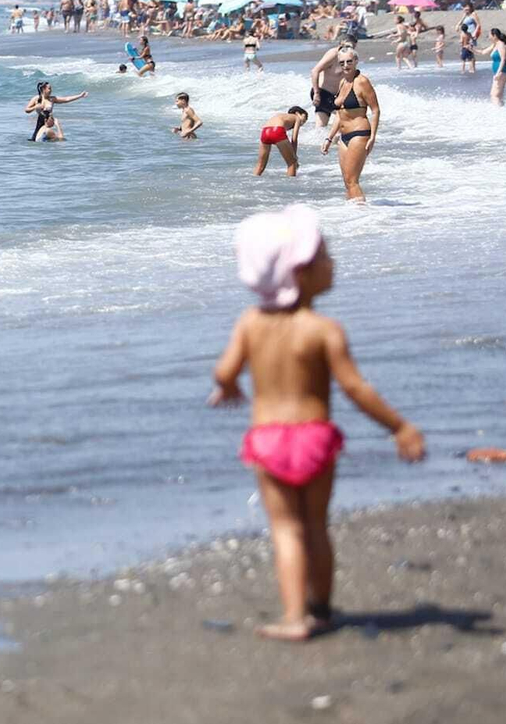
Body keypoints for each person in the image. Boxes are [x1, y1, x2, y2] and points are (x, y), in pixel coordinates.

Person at [208, 204, 425, 641]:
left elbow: (224, 370)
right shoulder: (323, 329)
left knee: (285, 529)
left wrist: (229, 388)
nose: (333, 262)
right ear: (301, 272)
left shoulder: (250, 323)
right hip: (314, 438)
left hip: (267, 440)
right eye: (325, 255)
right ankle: (321, 610)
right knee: (315, 527)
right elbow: (355, 388)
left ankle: (294, 617)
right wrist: (399, 427)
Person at [319, 48, 378, 201]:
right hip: (343, 136)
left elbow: (375, 110)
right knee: (347, 181)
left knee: (352, 181)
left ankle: (363, 212)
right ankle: (351, 212)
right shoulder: (342, 82)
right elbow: (340, 114)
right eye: (342, 63)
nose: (345, 65)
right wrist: (329, 138)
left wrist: (373, 137)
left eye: (349, 61)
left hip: (359, 134)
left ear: (356, 62)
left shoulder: (362, 82)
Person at [308, 39, 352, 132]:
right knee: (345, 117)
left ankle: (318, 140)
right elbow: (315, 71)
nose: (348, 50)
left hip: (334, 96)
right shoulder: (333, 54)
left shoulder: (349, 57)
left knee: (320, 128)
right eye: (346, 47)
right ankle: (336, 138)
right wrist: (316, 93)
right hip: (322, 94)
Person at [255, 107, 308, 177]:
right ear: (297, 113)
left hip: (265, 131)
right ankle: (290, 182)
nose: (303, 122)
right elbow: (294, 139)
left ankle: (252, 179)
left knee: (260, 165)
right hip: (277, 131)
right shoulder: (297, 117)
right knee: (292, 163)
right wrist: (294, 156)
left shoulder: (282, 116)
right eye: (304, 118)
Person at [479, 27, 506, 105]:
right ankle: (502, 108)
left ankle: (497, 110)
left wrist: (498, 73)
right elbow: (483, 52)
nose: (489, 37)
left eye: (490, 35)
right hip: (498, 72)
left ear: (494, 36)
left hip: (502, 72)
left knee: (494, 95)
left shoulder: (501, 44)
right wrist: (471, 49)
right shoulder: (494, 45)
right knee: (499, 95)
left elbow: (503, 59)